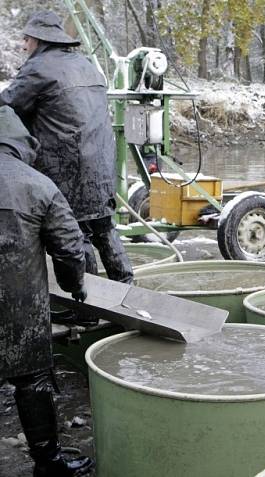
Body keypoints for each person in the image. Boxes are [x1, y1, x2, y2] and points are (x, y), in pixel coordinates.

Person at [0, 10, 133, 288]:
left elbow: (7, 106)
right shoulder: (86, 65)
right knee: (104, 226)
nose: (23, 45)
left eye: (26, 39)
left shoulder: (38, 69)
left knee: (76, 231)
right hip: (101, 163)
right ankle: (127, 288)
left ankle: (87, 307)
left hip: (67, 164)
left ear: (39, 40)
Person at [0, 106, 93, 476]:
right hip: (20, 311)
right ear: (21, 143)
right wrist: (75, 289)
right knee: (32, 381)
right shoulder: (38, 185)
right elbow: (71, 251)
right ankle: (48, 463)